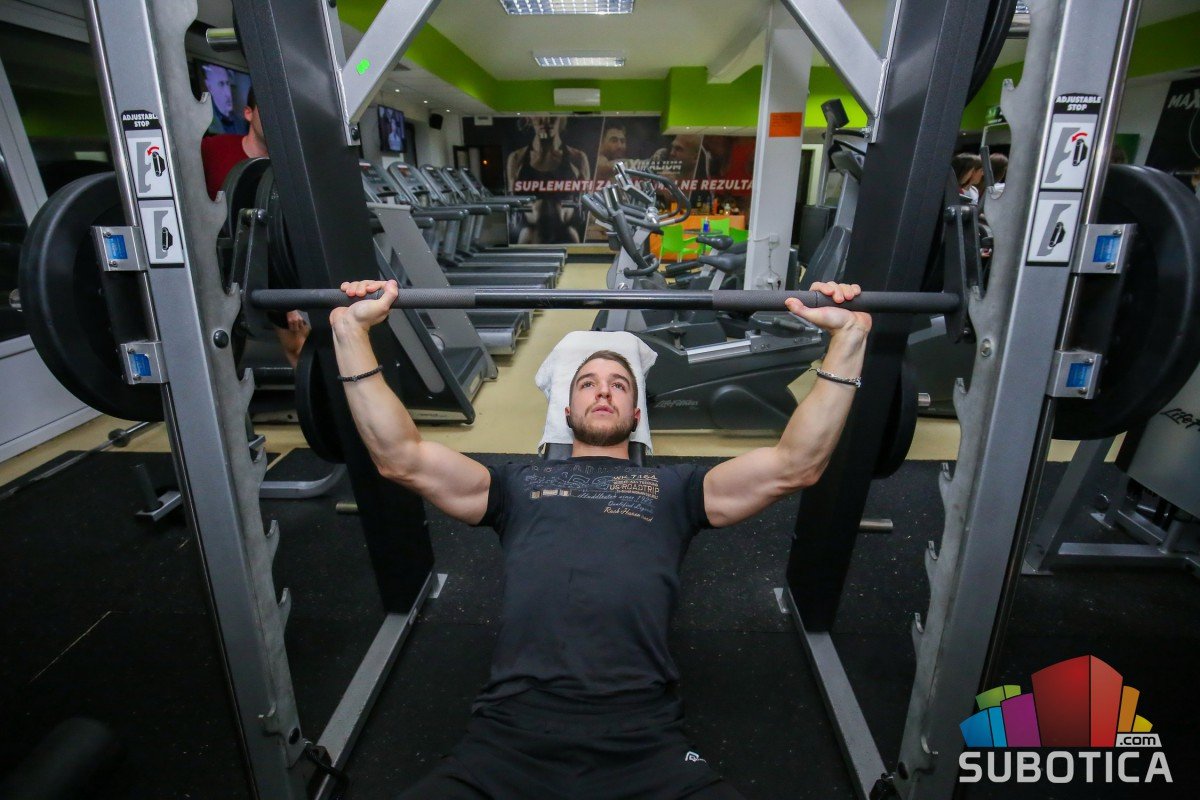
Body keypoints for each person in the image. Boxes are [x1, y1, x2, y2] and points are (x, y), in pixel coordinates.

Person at [329, 278, 871, 800]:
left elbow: (794, 465)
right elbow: (401, 458)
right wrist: (351, 333)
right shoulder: (514, 484)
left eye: (619, 384)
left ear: (636, 414)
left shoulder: (678, 488)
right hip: (510, 732)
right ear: (566, 412)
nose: (604, 390)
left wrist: (847, 340)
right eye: (587, 384)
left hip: (644, 736)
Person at [200, 88, 309, 366]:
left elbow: (292, 232)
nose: (275, 119)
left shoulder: (289, 165)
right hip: (216, 267)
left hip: (271, 269)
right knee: (222, 355)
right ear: (248, 113)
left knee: (300, 347)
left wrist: (294, 299)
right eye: (267, 110)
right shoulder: (213, 150)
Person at [505, 116, 591, 244]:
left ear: (560, 119)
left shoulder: (578, 158)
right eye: (539, 117)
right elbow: (512, 200)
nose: (545, 122)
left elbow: (586, 200)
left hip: (566, 227)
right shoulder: (517, 158)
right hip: (530, 229)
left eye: (551, 117)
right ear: (530, 120)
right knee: (527, 231)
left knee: (571, 231)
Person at [200, 63, 245, 135]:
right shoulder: (204, 121)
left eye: (227, 83)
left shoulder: (241, 122)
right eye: (221, 84)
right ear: (209, 87)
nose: (228, 94)